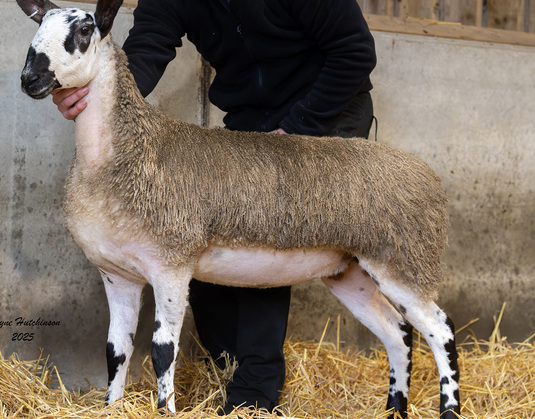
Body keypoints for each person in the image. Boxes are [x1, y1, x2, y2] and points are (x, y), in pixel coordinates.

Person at [53, 0, 376, 414]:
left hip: (325, 111)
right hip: (251, 121)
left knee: (265, 234)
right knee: (197, 239)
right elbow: (149, 48)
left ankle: (254, 394)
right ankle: (227, 366)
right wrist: (92, 89)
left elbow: (354, 52)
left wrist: (296, 128)